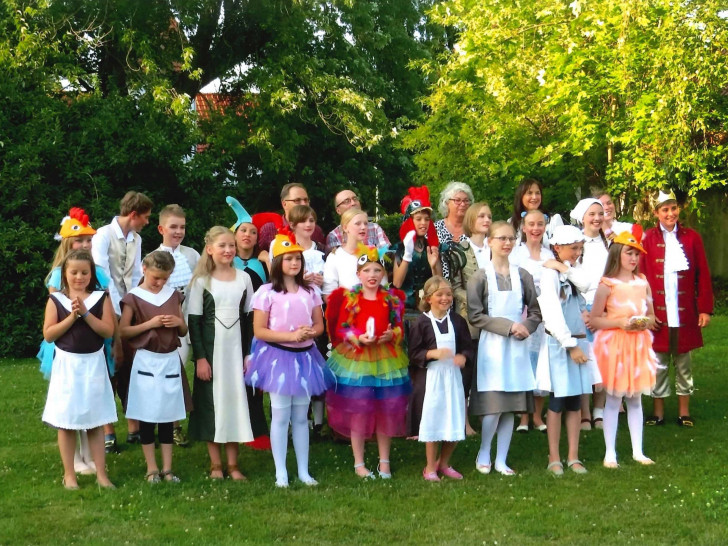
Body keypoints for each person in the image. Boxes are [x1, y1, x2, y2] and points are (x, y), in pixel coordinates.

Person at [244, 233, 334, 487]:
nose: (294, 263)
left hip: (304, 357)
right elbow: (260, 330)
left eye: (298, 259)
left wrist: (309, 333)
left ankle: (303, 470)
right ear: (278, 262)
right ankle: (280, 471)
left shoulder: (310, 291)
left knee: (300, 417)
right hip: (277, 358)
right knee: (281, 415)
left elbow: (319, 324)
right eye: (289, 259)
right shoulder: (266, 292)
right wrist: (291, 335)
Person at [37, 208, 112, 475]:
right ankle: (76, 459)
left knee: (90, 399)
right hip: (68, 343)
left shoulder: (99, 273)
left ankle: (90, 455)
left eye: (88, 241)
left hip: (93, 342)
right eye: (79, 241)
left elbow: (103, 304)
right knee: (71, 401)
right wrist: (75, 314)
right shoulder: (60, 274)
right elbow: (56, 309)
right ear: (68, 243)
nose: (85, 245)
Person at [326, 245, 410, 479]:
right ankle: (359, 462)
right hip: (358, 360)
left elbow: (399, 326)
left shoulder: (391, 299)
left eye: (376, 270)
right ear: (358, 274)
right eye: (367, 270)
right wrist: (357, 338)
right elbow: (343, 328)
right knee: (359, 410)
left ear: (383, 274)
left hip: (386, 360)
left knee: (386, 410)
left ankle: (384, 461)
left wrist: (391, 335)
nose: (372, 275)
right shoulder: (351, 298)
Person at [467, 222, 542, 476]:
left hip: (518, 347)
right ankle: (484, 451)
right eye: (501, 238)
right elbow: (475, 316)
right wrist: (509, 327)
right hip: (493, 347)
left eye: (511, 238)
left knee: (510, 404)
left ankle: (502, 459)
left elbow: (535, 311)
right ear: (489, 241)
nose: (507, 243)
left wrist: (526, 327)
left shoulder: (523, 275)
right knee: (493, 405)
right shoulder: (480, 277)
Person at [640, 190, 714, 427]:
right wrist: (645, 312)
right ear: (656, 213)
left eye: (673, 208)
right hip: (657, 313)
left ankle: (684, 412)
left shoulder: (692, 238)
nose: (670, 213)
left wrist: (704, 309)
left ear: (678, 210)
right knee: (658, 363)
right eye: (665, 209)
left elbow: (702, 274)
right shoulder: (648, 239)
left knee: (683, 363)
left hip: (684, 312)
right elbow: (641, 278)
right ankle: (658, 412)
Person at [187, 226, 255, 480]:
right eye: (222, 246)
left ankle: (233, 464)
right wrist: (201, 358)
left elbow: (249, 319)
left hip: (235, 353)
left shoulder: (244, 279)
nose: (228, 250)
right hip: (212, 353)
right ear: (210, 249)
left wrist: (248, 354)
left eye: (231, 246)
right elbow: (195, 322)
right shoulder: (201, 281)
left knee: (234, 403)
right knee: (210, 405)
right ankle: (216, 464)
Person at [591, 229, 658, 468]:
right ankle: (610, 453)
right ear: (617, 254)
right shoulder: (606, 285)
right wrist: (619, 323)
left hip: (637, 344)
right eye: (629, 253)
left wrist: (644, 322)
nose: (633, 259)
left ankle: (638, 451)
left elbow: (651, 316)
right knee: (613, 398)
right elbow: (595, 319)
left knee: (636, 399)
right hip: (615, 347)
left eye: (637, 255)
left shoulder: (643, 283)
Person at [92, 191, 153, 453]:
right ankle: (107, 432)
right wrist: (117, 311)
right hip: (105, 307)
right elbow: (101, 273)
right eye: (146, 217)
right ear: (133, 215)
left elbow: (137, 272)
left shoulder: (136, 238)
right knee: (109, 367)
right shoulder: (104, 235)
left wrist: (137, 303)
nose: (147, 223)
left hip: (128, 307)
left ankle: (134, 427)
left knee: (130, 364)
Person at [119, 251, 187, 483]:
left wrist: (179, 323)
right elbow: (123, 331)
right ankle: (151, 468)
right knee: (147, 416)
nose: (160, 283)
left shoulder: (173, 296)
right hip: (145, 360)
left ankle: (168, 468)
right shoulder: (134, 297)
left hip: (169, 360)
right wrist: (149, 324)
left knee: (168, 416)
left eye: (165, 279)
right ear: (144, 269)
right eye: (156, 278)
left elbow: (183, 330)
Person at [536, 226, 596, 475]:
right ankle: (554, 456)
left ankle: (573, 456)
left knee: (575, 402)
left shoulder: (569, 270)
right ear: (558, 248)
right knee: (558, 401)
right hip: (561, 346)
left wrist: (565, 267)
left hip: (579, 341)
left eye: (580, 248)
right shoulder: (548, 275)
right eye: (573, 248)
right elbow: (551, 313)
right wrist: (569, 346)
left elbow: (585, 282)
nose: (578, 252)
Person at [409, 277, 474, 481]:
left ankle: (444, 463)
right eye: (439, 295)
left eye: (448, 294)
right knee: (434, 421)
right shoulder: (421, 323)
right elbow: (413, 353)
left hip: (452, 378)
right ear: (428, 298)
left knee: (454, 419)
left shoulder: (457, 321)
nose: (445, 298)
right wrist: (431, 354)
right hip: (432, 380)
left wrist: (464, 356)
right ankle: (430, 467)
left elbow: (467, 346)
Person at [392, 186, 441, 439]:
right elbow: (397, 282)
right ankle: (406, 423)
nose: (423, 223)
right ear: (410, 220)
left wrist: (434, 266)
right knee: (408, 367)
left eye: (426, 218)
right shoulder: (401, 247)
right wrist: (408, 254)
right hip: (409, 312)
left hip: (428, 312)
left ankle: (424, 420)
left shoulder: (433, 246)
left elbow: (439, 284)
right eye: (418, 218)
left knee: (426, 368)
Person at [227, 196, 271, 450]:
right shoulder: (226, 261)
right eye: (243, 230)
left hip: (254, 321)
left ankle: (257, 427)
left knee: (254, 373)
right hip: (231, 322)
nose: (248, 235)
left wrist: (267, 260)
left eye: (253, 232)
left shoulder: (259, 263)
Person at [157, 204, 200, 448]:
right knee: (171, 374)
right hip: (167, 325)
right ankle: (170, 426)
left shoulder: (192, 254)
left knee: (189, 374)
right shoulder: (153, 257)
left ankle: (190, 422)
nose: (178, 231)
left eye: (182, 227)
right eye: (173, 227)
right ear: (162, 228)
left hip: (191, 321)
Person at [451, 201, 492, 436]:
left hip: (495, 317)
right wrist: (476, 302)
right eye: (481, 217)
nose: (486, 220)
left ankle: (489, 414)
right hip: (469, 318)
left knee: (488, 367)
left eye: (489, 217)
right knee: (467, 369)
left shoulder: (496, 247)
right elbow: (454, 286)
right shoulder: (460, 249)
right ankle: (464, 421)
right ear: (471, 221)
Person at [510, 209, 553, 433]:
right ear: (523, 228)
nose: (535, 229)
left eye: (540, 224)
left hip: (545, 318)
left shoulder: (549, 255)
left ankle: (536, 415)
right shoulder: (516, 254)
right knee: (524, 363)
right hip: (525, 315)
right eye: (531, 224)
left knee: (540, 365)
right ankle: (523, 417)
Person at [569, 197, 609, 431]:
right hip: (582, 309)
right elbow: (572, 280)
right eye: (591, 214)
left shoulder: (609, 245)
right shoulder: (575, 244)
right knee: (585, 360)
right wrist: (582, 311)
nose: (596, 218)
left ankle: (599, 410)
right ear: (582, 217)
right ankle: (584, 412)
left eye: (599, 213)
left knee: (602, 359)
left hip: (604, 308)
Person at [323, 208, 387, 297]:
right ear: (345, 228)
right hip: (347, 308)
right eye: (358, 223)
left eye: (365, 223)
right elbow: (329, 294)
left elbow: (383, 287)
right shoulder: (335, 257)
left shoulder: (374, 253)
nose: (363, 227)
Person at [257, 183, 326, 252]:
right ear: (284, 204)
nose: (304, 204)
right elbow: (255, 254)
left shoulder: (315, 230)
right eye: (297, 200)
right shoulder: (270, 229)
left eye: (306, 200)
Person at [326, 189, 390, 254]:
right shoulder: (334, 236)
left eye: (355, 199)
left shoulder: (374, 228)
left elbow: (386, 255)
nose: (353, 203)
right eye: (347, 201)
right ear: (338, 211)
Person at [434, 181, 475, 279]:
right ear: (447, 203)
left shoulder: (475, 229)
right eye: (457, 200)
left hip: (471, 286)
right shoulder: (434, 229)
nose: (463, 204)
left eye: (466, 200)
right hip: (441, 287)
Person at [510, 178, 563, 245]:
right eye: (530, 193)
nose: (534, 197)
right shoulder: (512, 223)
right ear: (521, 196)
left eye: (537, 193)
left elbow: (563, 249)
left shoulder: (553, 220)